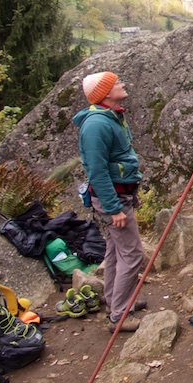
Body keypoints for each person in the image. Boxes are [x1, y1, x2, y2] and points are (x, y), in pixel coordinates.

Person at [74, 72, 145, 332]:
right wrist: (113, 208)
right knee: (132, 254)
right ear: (105, 94)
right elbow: (97, 170)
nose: (123, 84)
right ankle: (120, 315)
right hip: (113, 199)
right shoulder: (97, 125)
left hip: (119, 195)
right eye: (117, 84)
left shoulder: (111, 117)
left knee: (115, 253)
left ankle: (117, 303)